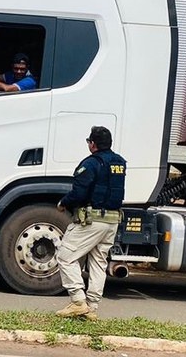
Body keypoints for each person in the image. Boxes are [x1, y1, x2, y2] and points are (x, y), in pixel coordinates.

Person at [54, 126, 126, 321]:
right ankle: (92, 308)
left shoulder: (92, 163)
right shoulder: (119, 162)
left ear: (92, 144)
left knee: (65, 256)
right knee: (98, 263)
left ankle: (78, 301)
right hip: (112, 221)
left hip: (92, 220)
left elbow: (79, 193)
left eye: (89, 141)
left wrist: (63, 203)